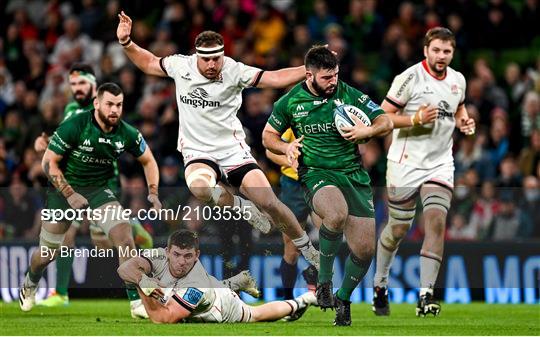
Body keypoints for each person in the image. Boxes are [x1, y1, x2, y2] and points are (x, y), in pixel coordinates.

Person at [116, 12, 319, 268]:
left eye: (216, 58)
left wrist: (308, 69)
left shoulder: (234, 70)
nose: (212, 64)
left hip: (232, 150)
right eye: (207, 59)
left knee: (269, 202)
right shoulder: (181, 66)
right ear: (197, 56)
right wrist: (127, 43)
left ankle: (306, 247)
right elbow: (149, 63)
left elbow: (273, 78)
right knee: (200, 188)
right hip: (198, 151)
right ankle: (242, 207)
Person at [262, 46, 393, 326]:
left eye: (335, 74)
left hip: (354, 176)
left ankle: (343, 299)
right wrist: (286, 148)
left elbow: (385, 120)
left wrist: (366, 131)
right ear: (309, 75)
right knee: (335, 214)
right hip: (316, 174)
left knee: (365, 250)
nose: (333, 81)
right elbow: (267, 137)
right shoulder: (291, 101)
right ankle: (324, 282)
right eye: (326, 77)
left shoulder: (348, 94)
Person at [19, 83, 162, 317]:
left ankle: (137, 303)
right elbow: (48, 163)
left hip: (98, 191)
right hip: (61, 191)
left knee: (124, 236)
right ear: (97, 104)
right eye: (109, 104)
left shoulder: (127, 132)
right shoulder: (75, 125)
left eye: (119, 105)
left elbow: (148, 161)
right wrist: (69, 194)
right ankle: (31, 280)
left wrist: (153, 192)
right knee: (47, 254)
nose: (115, 110)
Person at [371, 27, 475, 317]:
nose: (442, 56)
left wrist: (464, 121)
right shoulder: (409, 78)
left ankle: (425, 295)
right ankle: (380, 282)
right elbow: (382, 116)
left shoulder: (458, 80)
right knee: (398, 229)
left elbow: (459, 109)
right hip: (405, 163)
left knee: (436, 221)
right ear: (426, 50)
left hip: (440, 162)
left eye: (447, 51)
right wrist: (414, 119)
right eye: (437, 50)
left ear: (453, 53)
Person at [119, 229, 317, 324]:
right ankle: (237, 282)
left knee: (254, 314)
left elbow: (164, 318)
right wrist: (143, 280)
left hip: (221, 305)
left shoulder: (197, 285)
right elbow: (124, 269)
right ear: (167, 251)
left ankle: (300, 301)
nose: (181, 261)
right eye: (176, 255)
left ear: (197, 256)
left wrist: (143, 291)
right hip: (202, 289)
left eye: (188, 256)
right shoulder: (158, 256)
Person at [265, 129, 321, 300]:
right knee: (291, 246)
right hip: (293, 185)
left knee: (330, 231)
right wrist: (289, 161)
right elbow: (270, 151)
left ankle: (314, 272)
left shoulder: (329, 111)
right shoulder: (291, 113)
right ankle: (288, 299)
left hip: (321, 180)